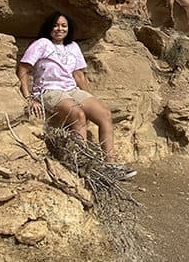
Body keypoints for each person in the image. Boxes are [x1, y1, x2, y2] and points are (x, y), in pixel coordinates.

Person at [17, 11, 133, 177]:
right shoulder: (41, 44)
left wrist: (89, 98)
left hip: (71, 89)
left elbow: (78, 75)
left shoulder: (73, 47)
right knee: (78, 115)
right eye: (56, 25)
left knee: (104, 114)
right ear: (49, 27)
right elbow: (23, 68)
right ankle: (82, 165)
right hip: (49, 90)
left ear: (68, 28)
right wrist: (28, 97)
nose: (59, 28)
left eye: (64, 25)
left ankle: (110, 165)